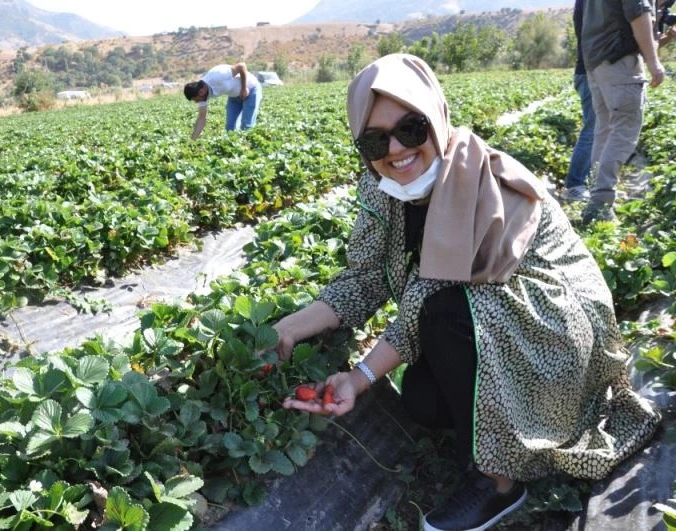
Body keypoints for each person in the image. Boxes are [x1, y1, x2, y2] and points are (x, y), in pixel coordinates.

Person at [276, 54, 661, 531]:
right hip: (479, 317)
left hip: (556, 326)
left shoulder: (474, 180)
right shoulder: (382, 188)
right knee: (423, 401)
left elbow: (427, 304)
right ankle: (503, 426)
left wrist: (358, 377)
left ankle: (497, 482)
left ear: (435, 117)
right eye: (376, 139)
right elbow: (365, 277)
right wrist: (287, 328)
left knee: (445, 315)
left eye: (411, 128)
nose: (396, 148)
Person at [580, 0, 666, 224]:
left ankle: (596, 199)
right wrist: (653, 62)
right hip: (618, 59)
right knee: (624, 128)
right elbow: (638, 14)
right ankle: (601, 201)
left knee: (605, 129)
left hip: (596, 61)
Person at [562, 0, 596, 203]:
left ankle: (584, 179)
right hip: (590, 73)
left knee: (597, 129)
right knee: (593, 129)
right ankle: (574, 184)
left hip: (589, 72)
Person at [183, 63, 262, 140]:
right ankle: (236, 148)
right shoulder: (201, 96)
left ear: (201, 92)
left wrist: (244, 88)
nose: (197, 102)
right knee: (230, 128)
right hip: (234, 96)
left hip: (251, 89)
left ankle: (249, 148)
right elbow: (201, 118)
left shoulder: (218, 75)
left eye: (196, 100)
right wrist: (193, 140)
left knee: (246, 126)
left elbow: (242, 66)